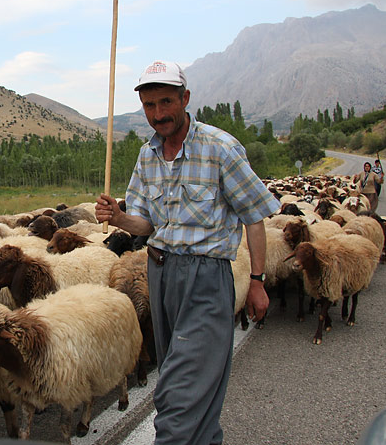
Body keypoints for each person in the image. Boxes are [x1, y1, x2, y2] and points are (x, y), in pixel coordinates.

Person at [95, 61, 280, 445]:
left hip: (205, 279)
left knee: (177, 401)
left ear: (185, 99)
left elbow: (255, 216)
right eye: (149, 105)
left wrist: (258, 281)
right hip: (159, 275)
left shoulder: (221, 148)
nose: (158, 114)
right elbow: (148, 225)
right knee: (189, 388)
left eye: (166, 102)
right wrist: (119, 217)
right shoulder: (147, 156)